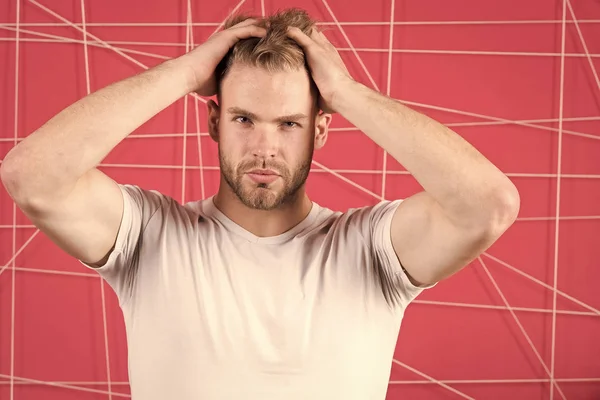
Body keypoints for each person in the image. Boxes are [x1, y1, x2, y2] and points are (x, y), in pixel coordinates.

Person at [1, 8, 519, 400]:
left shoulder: (369, 249)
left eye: (289, 123)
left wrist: (346, 91)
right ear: (213, 122)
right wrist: (184, 73)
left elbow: (488, 205)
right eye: (244, 119)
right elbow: (32, 177)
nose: (264, 148)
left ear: (319, 128)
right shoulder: (150, 236)